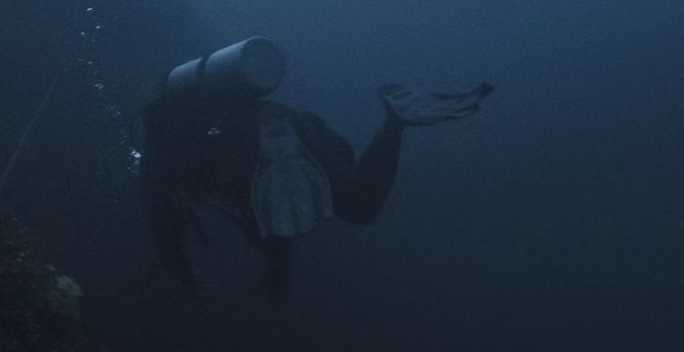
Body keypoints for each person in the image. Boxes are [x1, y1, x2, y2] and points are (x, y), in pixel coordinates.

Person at [137, 38, 493, 292]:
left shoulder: (158, 159)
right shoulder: (205, 117)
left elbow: (166, 225)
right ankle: (394, 119)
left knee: (277, 222)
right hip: (286, 121)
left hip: (247, 150)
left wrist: (179, 267)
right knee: (359, 205)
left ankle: (395, 122)